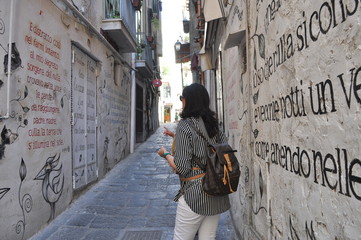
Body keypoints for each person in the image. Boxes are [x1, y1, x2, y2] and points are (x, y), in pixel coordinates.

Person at [157, 83, 230, 240]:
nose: (181, 101)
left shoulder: (185, 125)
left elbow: (182, 167)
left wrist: (166, 154)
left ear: (187, 101)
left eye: (182, 98)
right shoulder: (214, 125)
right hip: (216, 189)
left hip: (195, 193)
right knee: (208, 237)